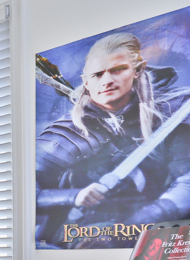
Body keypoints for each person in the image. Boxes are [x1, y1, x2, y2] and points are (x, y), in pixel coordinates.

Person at [36, 33, 190, 247]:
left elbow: (187, 183)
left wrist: (136, 224)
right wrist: (75, 196)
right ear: (86, 82)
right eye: (97, 74)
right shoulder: (66, 132)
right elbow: (27, 194)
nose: (107, 81)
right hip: (80, 236)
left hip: (152, 236)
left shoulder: (171, 116)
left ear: (138, 70)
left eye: (118, 70)